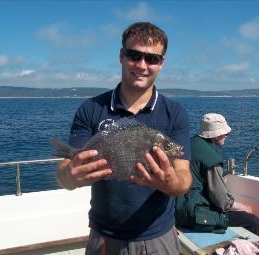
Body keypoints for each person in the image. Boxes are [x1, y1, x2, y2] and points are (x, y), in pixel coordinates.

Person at [56, 22, 192, 255]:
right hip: (106, 237)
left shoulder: (175, 113)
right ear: (121, 56)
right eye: (134, 55)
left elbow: (184, 179)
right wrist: (71, 175)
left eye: (152, 59)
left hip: (159, 235)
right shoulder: (90, 109)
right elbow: (65, 174)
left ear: (161, 64)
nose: (142, 65)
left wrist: (167, 183)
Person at [175, 113, 259, 235]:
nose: (227, 135)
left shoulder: (189, 143)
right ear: (215, 135)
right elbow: (222, 202)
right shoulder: (211, 159)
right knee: (253, 222)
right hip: (193, 214)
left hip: (177, 208)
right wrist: (245, 208)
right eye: (224, 132)